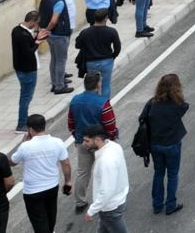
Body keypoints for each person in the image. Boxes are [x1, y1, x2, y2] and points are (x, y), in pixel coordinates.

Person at [7, 114, 72, 233]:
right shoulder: (57, 142)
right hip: (52, 187)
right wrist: (68, 181)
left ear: (30, 129)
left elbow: (12, 162)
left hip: (33, 191)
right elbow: (66, 163)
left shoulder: (25, 146)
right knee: (51, 217)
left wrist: (23, 143)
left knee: (39, 223)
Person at [136, 73, 189, 216]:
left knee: (158, 173)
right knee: (172, 174)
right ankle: (170, 204)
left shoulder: (152, 103)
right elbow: (185, 106)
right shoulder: (178, 105)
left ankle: (157, 204)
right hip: (172, 144)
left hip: (155, 144)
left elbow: (142, 118)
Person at [67, 72, 117, 214]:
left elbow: (71, 123)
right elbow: (110, 125)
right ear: (98, 84)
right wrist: (111, 139)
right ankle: (107, 199)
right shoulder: (103, 103)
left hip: (82, 142)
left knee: (83, 173)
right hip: (100, 143)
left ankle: (80, 202)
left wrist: (78, 137)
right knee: (106, 171)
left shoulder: (75, 100)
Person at [81, 124, 128, 233]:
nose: (84, 144)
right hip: (115, 201)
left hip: (110, 208)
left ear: (97, 140)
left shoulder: (106, 160)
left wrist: (92, 210)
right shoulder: (114, 146)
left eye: (87, 141)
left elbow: (107, 190)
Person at [38, 0, 74, 94]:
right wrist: (48, 29)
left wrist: (44, 30)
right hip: (59, 34)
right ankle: (59, 86)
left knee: (54, 59)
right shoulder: (59, 2)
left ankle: (54, 83)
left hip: (51, 36)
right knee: (60, 61)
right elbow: (54, 21)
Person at [74, 10, 121, 100]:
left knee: (92, 85)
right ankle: (104, 104)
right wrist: (112, 57)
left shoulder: (85, 32)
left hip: (91, 62)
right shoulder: (112, 31)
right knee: (105, 85)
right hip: (107, 61)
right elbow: (117, 48)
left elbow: (77, 45)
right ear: (106, 18)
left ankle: (93, 102)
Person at [11, 10, 46, 133]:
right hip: (27, 70)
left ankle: (23, 121)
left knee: (24, 96)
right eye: (36, 23)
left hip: (20, 68)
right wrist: (38, 42)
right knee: (26, 98)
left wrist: (36, 36)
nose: (36, 26)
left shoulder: (17, 30)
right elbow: (29, 52)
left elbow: (27, 45)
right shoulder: (23, 35)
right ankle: (21, 124)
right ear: (32, 21)